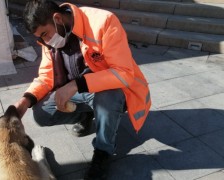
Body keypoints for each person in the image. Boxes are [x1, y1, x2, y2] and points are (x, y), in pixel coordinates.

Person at [14, 0, 151, 179]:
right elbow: (47, 75)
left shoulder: (104, 22)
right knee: (41, 113)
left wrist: (75, 85)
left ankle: (103, 152)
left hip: (110, 90)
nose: (45, 41)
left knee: (108, 98)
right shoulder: (50, 42)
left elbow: (124, 74)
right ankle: (85, 116)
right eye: (40, 38)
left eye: (45, 34)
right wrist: (25, 101)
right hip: (78, 92)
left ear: (57, 18)